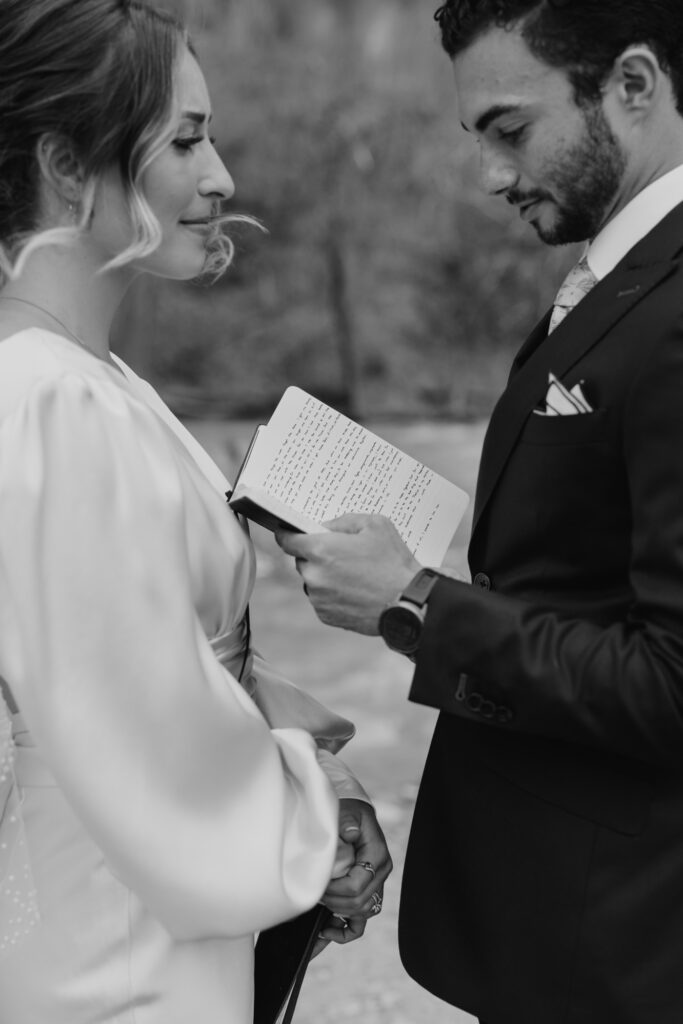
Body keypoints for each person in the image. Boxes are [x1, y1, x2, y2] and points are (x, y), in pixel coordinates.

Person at [276, 1, 683, 1021]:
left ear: (631, 85)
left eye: (509, 129)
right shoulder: (614, 275)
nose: (492, 176)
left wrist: (414, 602)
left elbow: (671, 682)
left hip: (623, 948)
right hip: (550, 920)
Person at [0, 2, 391, 1022]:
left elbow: (128, 654)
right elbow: (135, 723)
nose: (220, 178)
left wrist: (267, 708)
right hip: (118, 929)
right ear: (66, 163)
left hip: (128, 896)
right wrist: (310, 805)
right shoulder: (47, 396)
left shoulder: (92, 378)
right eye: (184, 138)